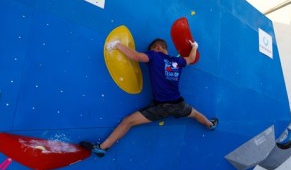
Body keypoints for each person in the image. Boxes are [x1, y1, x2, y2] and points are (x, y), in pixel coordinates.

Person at [80, 37, 218, 157]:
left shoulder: (154, 55)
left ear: (157, 48)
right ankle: (210, 125)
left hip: (161, 107)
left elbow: (136, 57)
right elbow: (191, 58)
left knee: (128, 121)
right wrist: (195, 46)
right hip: (179, 104)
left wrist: (117, 44)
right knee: (195, 114)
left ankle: (102, 148)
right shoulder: (178, 62)